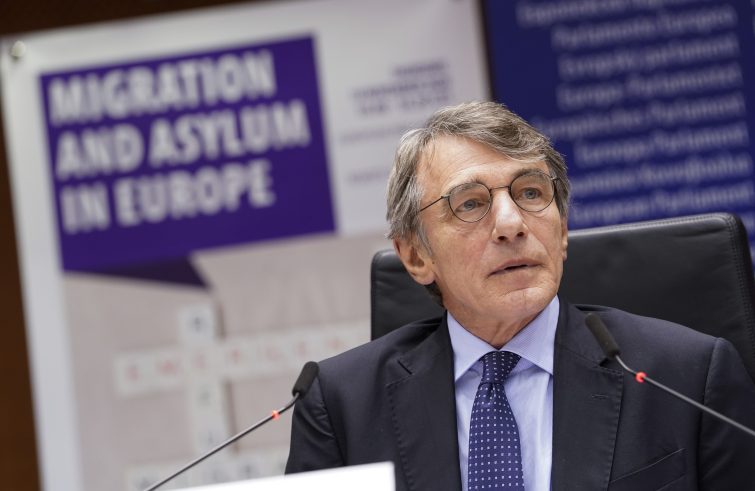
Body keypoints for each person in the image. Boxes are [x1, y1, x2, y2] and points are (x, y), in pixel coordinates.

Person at [285, 101, 755, 490]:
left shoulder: (686, 377)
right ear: (415, 256)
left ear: (562, 229)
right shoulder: (339, 405)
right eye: (470, 203)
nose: (511, 224)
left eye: (530, 193)